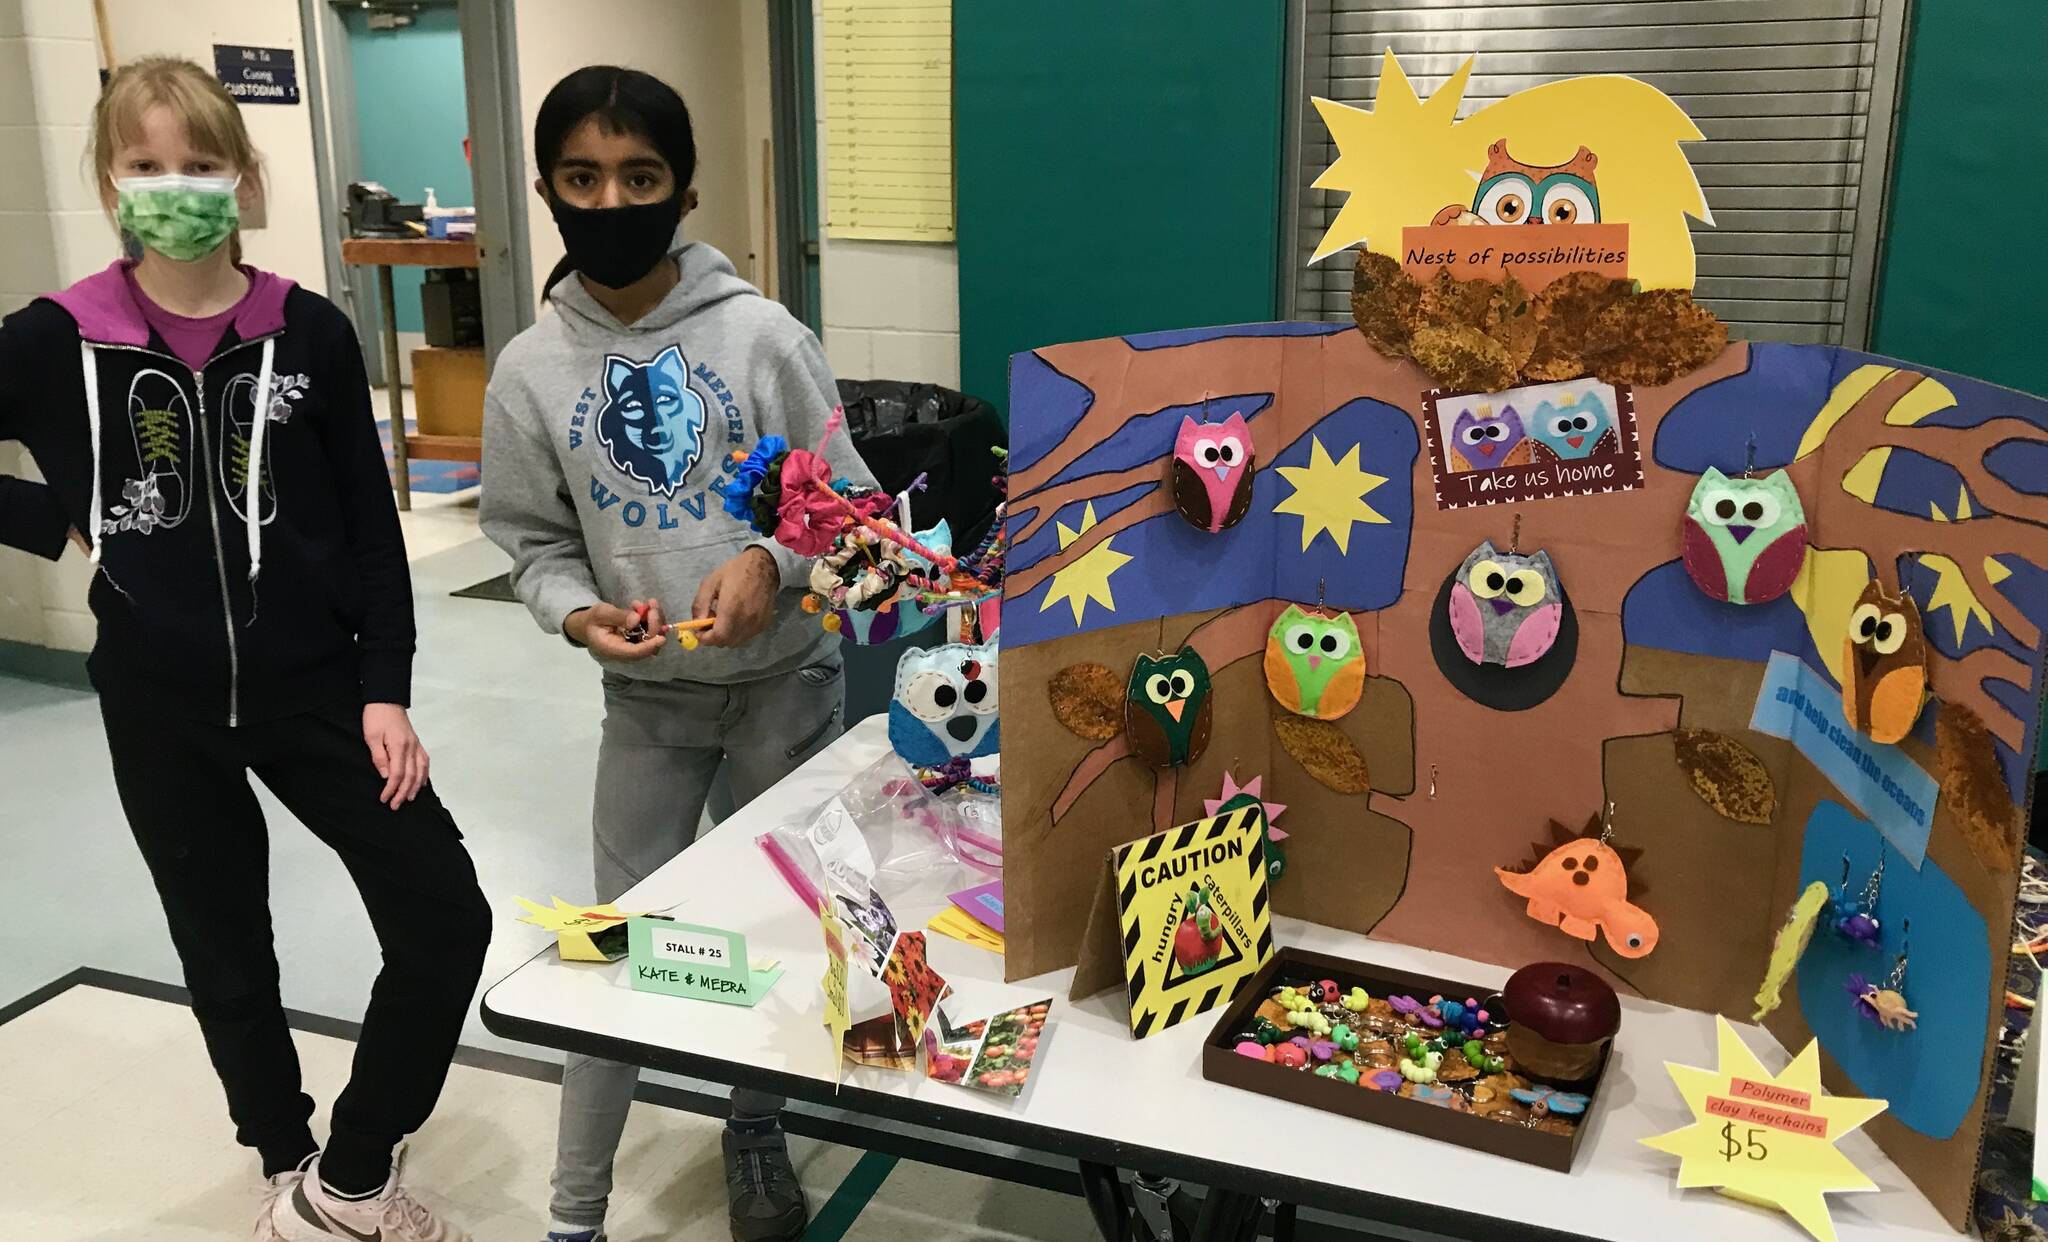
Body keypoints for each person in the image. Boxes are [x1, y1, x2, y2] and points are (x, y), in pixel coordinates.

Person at [0, 57, 489, 1242]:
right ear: (109, 182)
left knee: (442, 915)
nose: (174, 186)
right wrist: (55, 524)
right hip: (156, 702)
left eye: (200, 163)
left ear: (246, 177)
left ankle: (353, 1171)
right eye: (145, 165)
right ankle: (286, 1163)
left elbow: (374, 537)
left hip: (317, 692)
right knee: (222, 945)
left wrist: (387, 689)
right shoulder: (56, 338)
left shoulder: (306, 332)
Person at [481, 66, 867, 1242]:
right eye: (582, 179)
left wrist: (774, 562)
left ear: (684, 189)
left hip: (783, 697)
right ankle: (574, 1214)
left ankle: (755, 1127)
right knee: (608, 947)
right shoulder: (527, 370)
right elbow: (531, 540)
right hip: (643, 705)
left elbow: (849, 509)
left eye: (638, 177)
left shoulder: (763, 337)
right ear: (547, 190)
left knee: (781, 931)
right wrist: (572, 611)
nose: (610, 202)